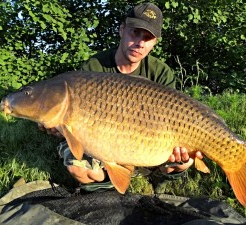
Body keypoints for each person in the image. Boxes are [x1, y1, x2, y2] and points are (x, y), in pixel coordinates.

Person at [39, 2, 203, 191]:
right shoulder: (95, 67)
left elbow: (177, 117)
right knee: (78, 168)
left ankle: (156, 182)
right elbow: (72, 124)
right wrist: (58, 126)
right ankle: (106, 186)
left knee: (183, 161)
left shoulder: (161, 73)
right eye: (135, 33)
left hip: (147, 144)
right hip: (102, 143)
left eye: (148, 37)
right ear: (122, 30)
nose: (140, 43)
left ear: (154, 42)